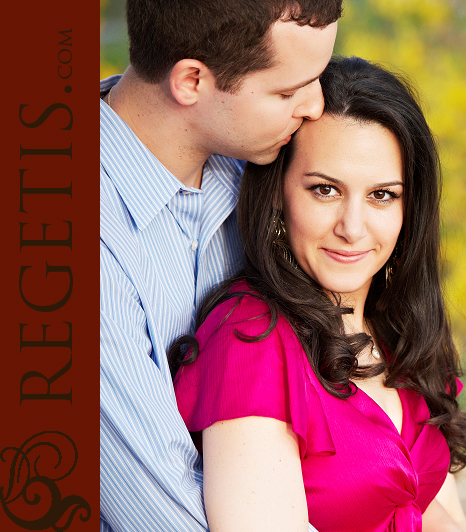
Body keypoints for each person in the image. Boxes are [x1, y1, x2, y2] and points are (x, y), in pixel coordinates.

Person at [171, 56, 466, 532]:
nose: (353, 228)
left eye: (382, 195)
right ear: (279, 193)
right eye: (325, 190)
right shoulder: (251, 339)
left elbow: (435, 512)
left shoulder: (400, 328)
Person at [100, 1, 341, 530]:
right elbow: (159, 516)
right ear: (191, 80)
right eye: (287, 91)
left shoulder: (259, 170)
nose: (316, 106)